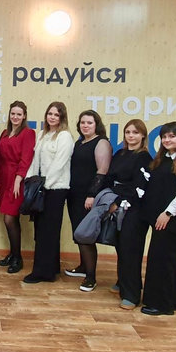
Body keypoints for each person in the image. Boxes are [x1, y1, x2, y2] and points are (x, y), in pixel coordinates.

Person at [140, 122, 176, 316]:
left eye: (172, 136)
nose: (167, 140)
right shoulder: (163, 159)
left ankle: (161, 305)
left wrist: (168, 213)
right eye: (164, 136)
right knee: (168, 260)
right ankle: (171, 300)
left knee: (162, 260)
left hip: (171, 219)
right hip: (160, 218)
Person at [103, 119, 152, 309]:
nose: (131, 136)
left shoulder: (144, 158)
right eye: (128, 132)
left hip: (135, 209)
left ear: (143, 135)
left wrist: (118, 202)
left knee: (131, 249)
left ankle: (131, 295)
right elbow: (110, 178)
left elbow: (139, 187)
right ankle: (123, 281)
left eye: (135, 132)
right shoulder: (120, 153)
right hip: (117, 204)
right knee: (121, 246)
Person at [23, 101, 73, 284]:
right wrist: (30, 180)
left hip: (56, 189)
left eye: (56, 115)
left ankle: (41, 273)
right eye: (50, 113)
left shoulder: (65, 136)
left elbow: (59, 164)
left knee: (48, 231)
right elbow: (35, 160)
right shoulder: (43, 134)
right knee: (42, 230)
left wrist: (45, 185)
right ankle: (51, 268)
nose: (52, 117)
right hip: (42, 188)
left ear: (62, 117)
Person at [64, 110, 112, 292]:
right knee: (78, 233)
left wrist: (92, 195)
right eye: (82, 122)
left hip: (88, 197)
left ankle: (91, 277)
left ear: (96, 124)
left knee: (86, 235)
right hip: (74, 195)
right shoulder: (79, 142)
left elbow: (102, 171)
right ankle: (83, 267)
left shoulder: (101, 142)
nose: (85, 125)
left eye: (89, 123)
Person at [0, 101, 35, 274]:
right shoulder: (5, 133)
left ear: (24, 116)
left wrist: (19, 179)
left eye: (19, 114)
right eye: (13, 114)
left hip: (17, 179)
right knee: (10, 218)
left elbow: (26, 158)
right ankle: (12, 254)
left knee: (10, 218)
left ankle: (18, 258)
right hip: (4, 177)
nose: (15, 117)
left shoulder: (28, 133)